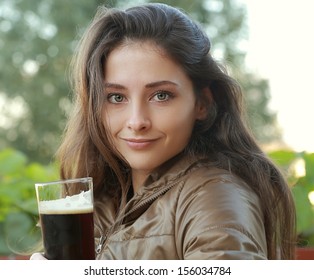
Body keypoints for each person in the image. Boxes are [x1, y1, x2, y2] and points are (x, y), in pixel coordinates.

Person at [31, 3, 296, 260]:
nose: (137, 121)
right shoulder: (104, 199)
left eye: (161, 95)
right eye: (115, 97)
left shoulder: (215, 197)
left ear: (202, 102)